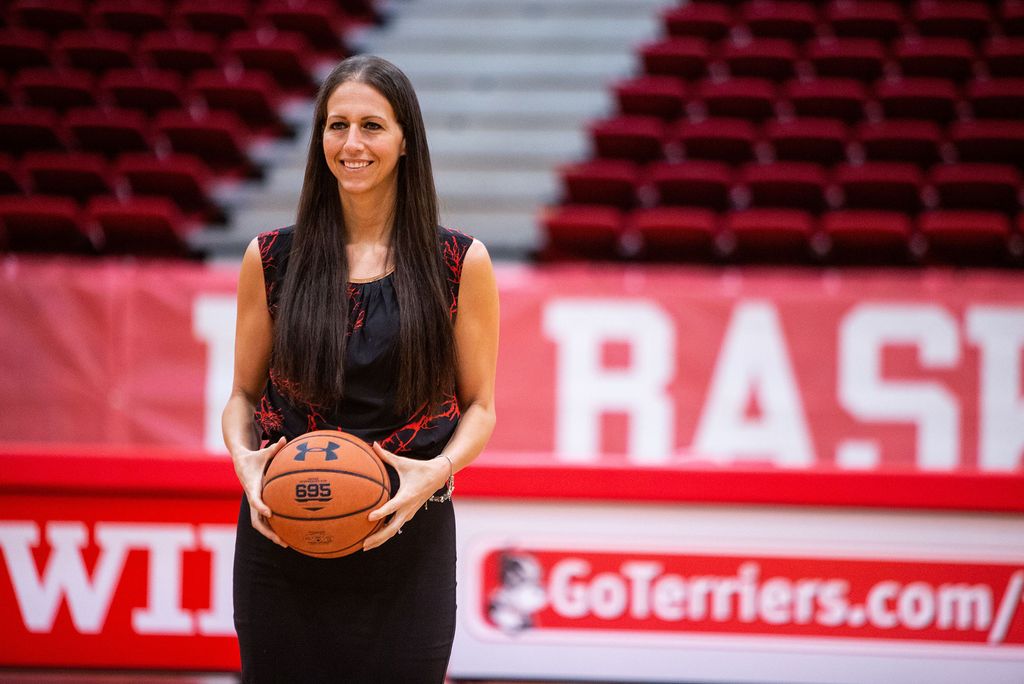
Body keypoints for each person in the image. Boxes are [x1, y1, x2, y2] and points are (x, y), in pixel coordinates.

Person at [221, 55, 499, 682]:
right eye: (336, 125)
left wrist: (437, 472)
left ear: (405, 142)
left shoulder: (459, 262)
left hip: (409, 538)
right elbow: (241, 394)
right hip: (282, 538)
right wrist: (244, 461)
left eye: (372, 126)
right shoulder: (270, 259)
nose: (352, 144)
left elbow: (480, 406)